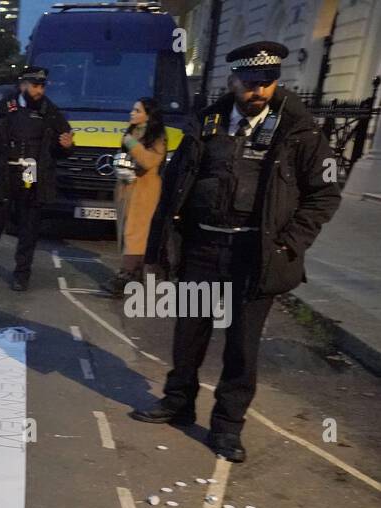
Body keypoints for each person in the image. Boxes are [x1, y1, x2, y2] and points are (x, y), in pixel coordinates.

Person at [134, 41, 342, 463]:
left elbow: (324, 195)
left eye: (267, 83)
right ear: (232, 81)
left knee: (241, 348)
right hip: (203, 247)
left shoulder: (299, 131)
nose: (259, 92)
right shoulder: (206, 122)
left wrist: (288, 242)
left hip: (255, 254)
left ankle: (227, 428)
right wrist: (159, 244)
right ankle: (178, 402)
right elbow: (175, 184)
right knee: (189, 334)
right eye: (250, 83)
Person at [0, 66, 74, 291]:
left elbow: (65, 141)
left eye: (42, 86)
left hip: (31, 173)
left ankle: (21, 275)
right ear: (23, 85)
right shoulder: (3, 107)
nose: (39, 91)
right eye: (35, 86)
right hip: (4, 171)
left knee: (29, 226)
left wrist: (67, 146)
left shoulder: (49, 110)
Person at [102, 98, 168, 297]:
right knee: (125, 232)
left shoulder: (157, 136)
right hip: (126, 188)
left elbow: (149, 161)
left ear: (148, 114)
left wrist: (131, 144)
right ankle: (135, 274)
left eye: (136, 110)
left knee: (135, 234)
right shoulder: (131, 132)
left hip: (144, 192)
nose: (132, 113)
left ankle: (126, 275)